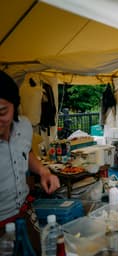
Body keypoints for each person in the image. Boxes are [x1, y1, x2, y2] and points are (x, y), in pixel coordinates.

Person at [0, 71, 60, 236]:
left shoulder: (24, 126)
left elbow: (26, 151)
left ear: (14, 105)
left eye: (2, 112)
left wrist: (43, 171)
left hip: (24, 214)